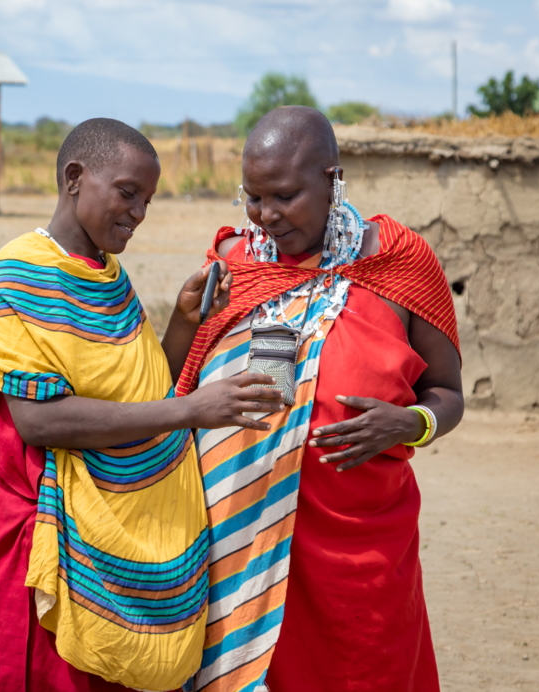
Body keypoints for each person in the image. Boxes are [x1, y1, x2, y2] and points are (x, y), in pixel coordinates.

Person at [0, 118, 285, 692]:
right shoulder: (16, 277)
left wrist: (185, 323)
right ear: (75, 177)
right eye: (127, 193)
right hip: (41, 541)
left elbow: (138, 391)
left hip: (117, 541)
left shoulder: (109, 277)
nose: (137, 212)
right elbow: (41, 421)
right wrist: (191, 410)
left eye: (148, 201)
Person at [176, 106, 463, 692]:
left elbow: (448, 393)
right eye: (252, 198)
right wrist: (184, 323)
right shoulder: (234, 264)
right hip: (236, 544)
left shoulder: (398, 263)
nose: (266, 215)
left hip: (360, 552)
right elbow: (172, 382)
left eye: (284, 196)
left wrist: (411, 423)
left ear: (332, 181)